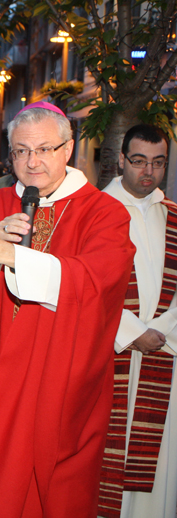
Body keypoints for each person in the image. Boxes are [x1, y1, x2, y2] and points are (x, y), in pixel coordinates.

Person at [0, 102, 135, 517]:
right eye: (21, 151)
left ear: (68, 149)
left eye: (44, 149)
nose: (32, 161)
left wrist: (9, 255)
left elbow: (97, 283)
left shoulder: (104, 212)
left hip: (54, 376)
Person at [99, 125, 177, 518]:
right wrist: (133, 333)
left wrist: (163, 331)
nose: (148, 171)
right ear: (121, 161)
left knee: (160, 465)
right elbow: (87, 288)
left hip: (166, 353)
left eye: (158, 162)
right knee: (107, 461)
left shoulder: (174, 216)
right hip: (112, 355)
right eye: (140, 161)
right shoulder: (96, 211)